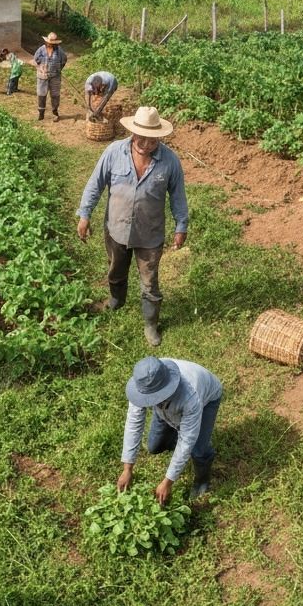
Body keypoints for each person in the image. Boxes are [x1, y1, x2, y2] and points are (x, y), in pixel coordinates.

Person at [76, 106, 189, 346]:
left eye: (152, 140)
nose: (146, 144)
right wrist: (85, 214)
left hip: (150, 234)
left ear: (159, 137)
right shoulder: (114, 152)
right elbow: (95, 184)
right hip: (116, 228)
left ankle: (150, 324)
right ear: (133, 132)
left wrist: (181, 225)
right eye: (142, 138)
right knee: (116, 271)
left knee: (149, 282)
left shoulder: (169, 162)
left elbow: (178, 196)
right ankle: (117, 299)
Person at [118, 356, 223, 503]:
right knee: (154, 446)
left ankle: (202, 480)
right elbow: (134, 422)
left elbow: (187, 439)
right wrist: (127, 468)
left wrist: (168, 482)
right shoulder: (143, 381)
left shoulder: (190, 397)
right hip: (166, 409)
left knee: (197, 449)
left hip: (207, 400)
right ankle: (178, 437)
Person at [33, 31, 66, 121]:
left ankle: (55, 113)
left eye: (52, 43)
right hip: (42, 76)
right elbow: (35, 59)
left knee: (55, 95)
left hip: (55, 77)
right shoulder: (41, 49)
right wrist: (40, 66)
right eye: (49, 42)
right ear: (46, 41)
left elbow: (64, 60)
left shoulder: (59, 51)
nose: (50, 44)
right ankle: (41, 113)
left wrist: (58, 69)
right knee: (41, 94)